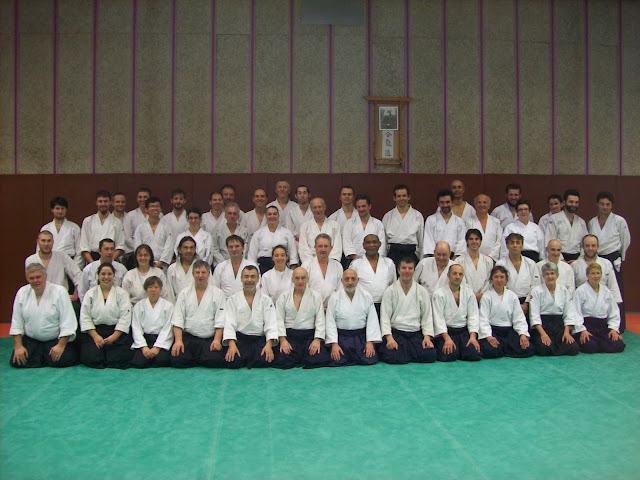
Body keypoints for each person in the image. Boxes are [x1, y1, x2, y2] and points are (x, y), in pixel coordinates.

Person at [9, 263, 78, 368]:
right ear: (27, 279)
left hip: (54, 340)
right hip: (31, 340)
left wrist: (60, 346)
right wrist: (18, 347)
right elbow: (16, 322)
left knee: (65, 359)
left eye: (38, 277)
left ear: (45, 276)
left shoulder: (59, 291)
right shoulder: (22, 292)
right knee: (17, 361)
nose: (35, 281)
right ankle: (43, 358)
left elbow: (68, 322)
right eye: (31, 278)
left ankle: (42, 358)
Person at [378, 257, 437, 364]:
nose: (407, 271)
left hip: (415, 333)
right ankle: (408, 353)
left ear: (414, 270)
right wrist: (389, 338)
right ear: (398, 270)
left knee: (430, 355)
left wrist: (427, 337)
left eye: (410, 268)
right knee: (391, 356)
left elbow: (427, 316)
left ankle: (407, 352)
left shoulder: (421, 291)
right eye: (404, 268)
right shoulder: (390, 291)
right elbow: (385, 317)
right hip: (397, 333)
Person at [170, 260, 227, 368]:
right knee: (177, 360)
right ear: (193, 274)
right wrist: (178, 341)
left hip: (208, 339)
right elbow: (178, 319)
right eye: (197, 272)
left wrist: (216, 340)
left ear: (208, 274)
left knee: (214, 361)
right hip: (189, 338)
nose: (200, 276)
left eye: (203, 272)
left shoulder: (218, 293)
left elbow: (220, 319)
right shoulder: (184, 293)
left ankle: (199, 358)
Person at [272, 267, 330, 369]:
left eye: (303, 278)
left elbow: (320, 320)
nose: (300, 281)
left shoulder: (316, 296)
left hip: (309, 336)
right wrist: (283, 340)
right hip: (290, 336)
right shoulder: (284, 297)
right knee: (281, 360)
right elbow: (279, 320)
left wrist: (317, 340)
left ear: (308, 279)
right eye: (297, 278)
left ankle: (301, 357)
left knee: (320, 358)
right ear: (292, 279)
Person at [588, 191, 630, 329]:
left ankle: (619, 326)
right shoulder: (592, 222)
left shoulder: (619, 221)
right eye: (602, 204)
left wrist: (620, 257)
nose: (604, 207)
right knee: (598, 291)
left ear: (612, 206)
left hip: (613, 258)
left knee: (615, 292)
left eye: (607, 204)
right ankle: (601, 324)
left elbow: (626, 240)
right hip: (597, 259)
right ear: (597, 204)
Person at [223, 265, 279, 368]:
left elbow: (271, 323)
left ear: (258, 279)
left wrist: (268, 345)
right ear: (241, 279)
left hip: (259, 339)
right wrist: (231, 345)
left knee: (265, 360)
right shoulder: (233, 299)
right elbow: (229, 323)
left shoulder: (266, 300)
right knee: (232, 361)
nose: (249, 280)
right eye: (246, 276)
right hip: (240, 339)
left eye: (253, 277)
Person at [79, 262, 133, 369]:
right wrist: (95, 336)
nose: (106, 277)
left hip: (115, 332)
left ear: (114, 276)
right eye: (103, 274)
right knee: (92, 359)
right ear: (98, 276)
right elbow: (85, 316)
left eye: (109, 274)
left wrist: (114, 337)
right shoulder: (90, 293)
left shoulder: (121, 293)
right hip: (95, 331)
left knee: (119, 359)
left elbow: (125, 317)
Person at [325, 269, 382, 366]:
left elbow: (372, 320)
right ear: (342, 281)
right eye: (346, 279)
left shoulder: (366, 296)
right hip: (342, 337)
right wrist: (334, 344)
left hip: (360, 337)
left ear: (358, 280)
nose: (350, 282)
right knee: (337, 360)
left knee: (369, 359)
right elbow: (330, 322)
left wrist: (370, 342)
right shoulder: (334, 298)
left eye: (353, 279)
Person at [478, 265, 535, 358]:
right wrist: (488, 336)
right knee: (491, 350)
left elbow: (519, 317)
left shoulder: (512, 296)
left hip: (508, 331)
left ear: (506, 279)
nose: (499, 280)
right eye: (496, 277)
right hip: (493, 331)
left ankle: (503, 348)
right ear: (491, 279)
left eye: (502, 277)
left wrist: (522, 334)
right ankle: (503, 348)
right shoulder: (486, 296)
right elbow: (483, 319)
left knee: (527, 348)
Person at [432, 264, 482, 361]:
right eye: (454, 274)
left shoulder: (469, 293)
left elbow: (473, 316)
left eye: (460, 274)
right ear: (448, 275)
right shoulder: (439, 294)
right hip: (447, 332)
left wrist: (473, 337)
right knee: (448, 356)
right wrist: (447, 339)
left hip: (463, 332)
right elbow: (438, 319)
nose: (457, 277)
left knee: (473, 354)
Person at [528, 263, 580, 356]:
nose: (550, 276)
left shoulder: (564, 291)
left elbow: (569, 312)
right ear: (543, 276)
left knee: (573, 348)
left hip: (559, 326)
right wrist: (543, 334)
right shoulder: (536, 291)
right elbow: (534, 315)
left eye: (552, 273)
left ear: (557, 275)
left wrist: (567, 332)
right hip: (543, 326)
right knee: (544, 349)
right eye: (547, 274)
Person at [572, 235, 623, 329]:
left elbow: (613, 286)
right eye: (587, 246)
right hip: (582, 308)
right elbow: (572, 287)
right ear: (582, 247)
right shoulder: (575, 265)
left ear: (598, 246)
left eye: (593, 245)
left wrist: (615, 327)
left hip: (602, 306)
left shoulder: (606, 263)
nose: (590, 248)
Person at [572, 263, 625, 354]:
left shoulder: (606, 291)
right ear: (587, 275)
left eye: (598, 273)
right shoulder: (580, 291)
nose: (596, 276)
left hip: (602, 327)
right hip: (587, 326)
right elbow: (576, 312)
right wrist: (582, 330)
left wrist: (613, 328)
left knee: (618, 345)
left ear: (601, 274)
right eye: (593, 273)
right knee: (590, 347)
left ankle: (601, 344)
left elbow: (614, 312)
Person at [130, 276, 174, 368]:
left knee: (161, 361)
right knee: (139, 363)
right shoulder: (139, 306)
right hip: (145, 339)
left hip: (161, 340)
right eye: (150, 287)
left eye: (156, 287)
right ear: (146, 289)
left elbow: (167, 328)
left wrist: (157, 347)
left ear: (160, 289)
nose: (153, 290)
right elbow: (136, 327)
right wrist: (144, 347)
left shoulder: (168, 306)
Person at [26, 230, 82, 300]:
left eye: (49, 241)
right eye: (43, 241)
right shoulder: (31, 260)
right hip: (39, 298)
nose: (46, 244)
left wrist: (76, 294)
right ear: (38, 242)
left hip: (60, 297)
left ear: (53, 242)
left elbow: (78, 275)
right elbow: (32, 281)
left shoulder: (62, 256)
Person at [350, 234, 395, 317]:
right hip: (362, 305)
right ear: (363, 245)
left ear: (380, 244)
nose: (371, 245)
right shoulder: (356, 264)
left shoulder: (389, 263)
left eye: (374, 242)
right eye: (368, 242)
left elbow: (393, 285)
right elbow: (351, 286)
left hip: (384, 304)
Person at [496, 233, 540, 316]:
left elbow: (535, 285)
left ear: (522, 245)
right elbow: (498, 286)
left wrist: (526, 303)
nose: (515, 245)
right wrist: (515, 304)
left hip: (527, 304)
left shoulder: (531, 263)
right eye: (512, 243)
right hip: (507, 302)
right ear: (507, 245)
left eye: (518, 242)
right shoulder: (500, 264)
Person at [382, 184, 424, 266]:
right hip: (393, 254)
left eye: (404, 196)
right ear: (394, 198)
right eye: (399, 196)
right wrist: (383, 258)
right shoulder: (388, 216)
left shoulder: (417, 216)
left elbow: (421, 239)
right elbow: (384, 241)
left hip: (411, 253)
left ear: (409, 197)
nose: (401, 198)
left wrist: (421, 259)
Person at [247, 206, 298, 274]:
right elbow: (252, 256)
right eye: (269, 214)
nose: (272, 216)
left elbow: (293, 255)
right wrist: (254, 272)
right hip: (263, 267)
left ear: (278, 216)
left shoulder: (287, 233)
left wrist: (292, 272)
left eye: (274, 214)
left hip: (282, 266)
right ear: (265, 216)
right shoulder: (258, 234)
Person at [80, 190, 125, 263]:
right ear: (96, 202)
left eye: (105, 201)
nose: (103, 204)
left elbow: (120, 246)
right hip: (92, 258)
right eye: (100, 201)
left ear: (110, 202)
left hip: (111, 258)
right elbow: (84, 247)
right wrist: (93, 264)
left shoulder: (117, 222)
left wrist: (109, 262)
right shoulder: (88, 221)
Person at [544, 189, 588, 262]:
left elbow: (585, 243)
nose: (574, 205)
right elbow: (550, 240)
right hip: (559, 256)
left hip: (577, 258)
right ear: (564, 203)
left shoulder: (581, 222)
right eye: (571, 202)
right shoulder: (554, 219)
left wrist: (579, 260)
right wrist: (561, 259)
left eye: (576, 202)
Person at [301, 234, 343, 308]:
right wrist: (318, 308)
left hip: (333, 307)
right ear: (315, 247)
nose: (323, 249)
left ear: (331, 248)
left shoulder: (337, 266)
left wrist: (331, 308)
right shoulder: (306, 265)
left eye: (326, 246)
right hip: (311, 308)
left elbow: (340, 290)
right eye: (320, 246)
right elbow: (302, 289)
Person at [40, 196, 82, 268]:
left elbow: (79, 250)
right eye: (57, 208)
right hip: (49, 263)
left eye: (62, 208)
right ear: (52, 210)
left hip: (69, 263)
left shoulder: (74, 227)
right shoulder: (46, 228)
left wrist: (74, 267)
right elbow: (40, 249)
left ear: (66, 210)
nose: (60, 211)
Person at [342, 194, 386, 263]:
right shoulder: (349, 223)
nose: (361, 209)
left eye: (363, 206)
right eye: (358, 207)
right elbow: (347, 243)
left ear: (369, 206)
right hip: (354, 261)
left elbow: (382, 244)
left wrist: (375, 259)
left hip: (375, 261)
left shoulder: (378, 224)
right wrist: (356, 258)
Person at [423, 189, 466, 258]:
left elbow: (461, 243)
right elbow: (428, 242)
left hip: (454, 259)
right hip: (435, 258)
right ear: (438, 204)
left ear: (452, 203)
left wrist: (454, 260)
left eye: (447, 202)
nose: (445, 205)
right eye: (442, 202)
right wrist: (437, 259)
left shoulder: (459, 222)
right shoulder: (431, 220)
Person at [298, 198, 343, 264]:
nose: (317, 210)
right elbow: (303, 248)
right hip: (310, 262)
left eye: (320, 207)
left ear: (324, 207)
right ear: (311, 209)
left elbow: (337, 247)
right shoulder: (305, 226)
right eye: (315, 207)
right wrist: (311, 263)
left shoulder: (335, 225)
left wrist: (330, 262)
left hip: (331, 262)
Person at [133, 196, 174, 268]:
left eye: (157, 206)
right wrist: (145, 260)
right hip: (144, 263)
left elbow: (169, 247)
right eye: (152, 206)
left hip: (162, 265)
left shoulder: (167, 227)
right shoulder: (140, 228)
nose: (155, 208)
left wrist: (161, 262)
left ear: (161, 209)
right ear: (146, 209)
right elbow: (137, 246)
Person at [454, 229, 493, 302]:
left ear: (480, 241)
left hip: (484, 298)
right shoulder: (459, 261)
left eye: (477, 239)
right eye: (471, 239)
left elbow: (489, 280)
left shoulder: (488, 261)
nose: (474, 241)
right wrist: (473, 294)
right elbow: (460, 280)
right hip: (466, 298)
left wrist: (482, 295)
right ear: (467, 241)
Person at [465, 194, 502, 262]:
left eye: (485, 202)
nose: (482, 205)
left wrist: (491, 257)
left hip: (492, 259)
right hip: (473, 259)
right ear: (475, 205)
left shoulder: (496, 222)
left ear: (489, 206)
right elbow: (465, 241)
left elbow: (499, 241)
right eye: (479, 202)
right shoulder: (468, 222)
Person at [211, 202, 249, 267]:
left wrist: (239, 261)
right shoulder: (217, 231)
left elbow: (245, 249)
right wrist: (224, 263)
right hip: (222, 263)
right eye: (229, 213)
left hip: (240, 263)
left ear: (238, 216)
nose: (232, 216)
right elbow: (215, 249)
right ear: (225, 215)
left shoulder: (244, 231)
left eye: (235, 214)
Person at [122, 187, 153, 258]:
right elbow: (127, 237)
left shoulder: (158, 215)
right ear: (137, 199)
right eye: (140, 197)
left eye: (145, 197)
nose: (142, 199)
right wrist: (139, 249)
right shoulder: (130, 215)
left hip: (153, 250)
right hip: (135, 252)